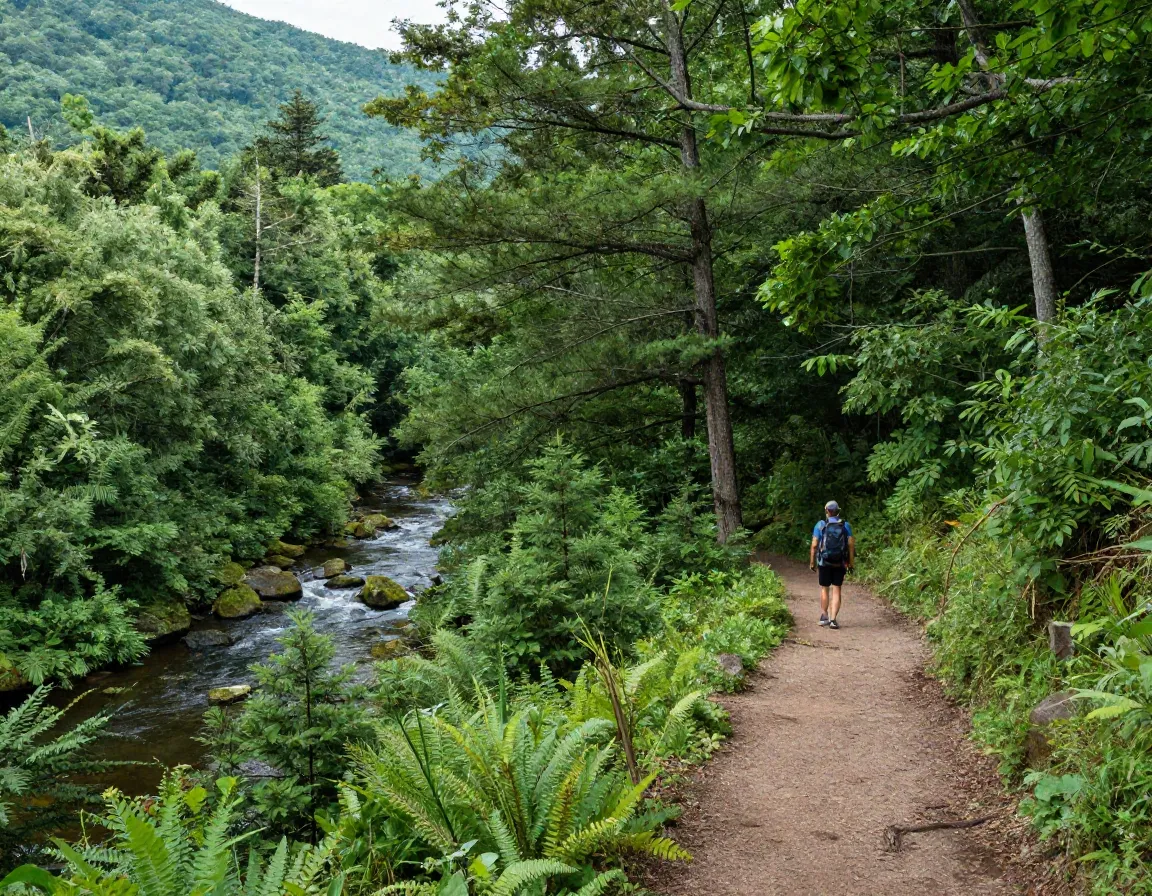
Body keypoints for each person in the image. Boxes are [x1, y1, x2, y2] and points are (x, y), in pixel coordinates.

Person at [810, 500, 855, 630]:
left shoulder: (821, 525)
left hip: (824, 562)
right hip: (840, 562)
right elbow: (851, 545)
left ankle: (824, 616)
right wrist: (851, 563)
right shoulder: (845, 525)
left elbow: (814, 545)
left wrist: (812, 562)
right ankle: (833, 619)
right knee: (837, 589)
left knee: (825, 588)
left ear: (827, 511)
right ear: (838, 511)